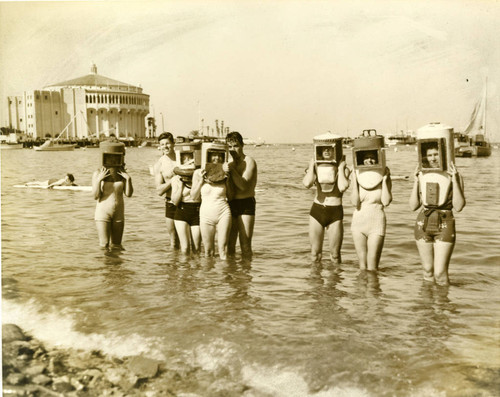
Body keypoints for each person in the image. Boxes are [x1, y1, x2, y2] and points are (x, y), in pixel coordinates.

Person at [409, 144, 466, 285]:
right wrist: (416, 181)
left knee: (440, 273)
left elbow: (459, 206)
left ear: (442, 155)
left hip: (445, 221)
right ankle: (428, 306)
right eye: (430, 155)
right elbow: (413, 206)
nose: (433, 158)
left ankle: (442, 306)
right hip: (423, 222)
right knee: (427, 270)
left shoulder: (455, 175)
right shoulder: (423, 175)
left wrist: (454, 180)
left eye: (436, 154)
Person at [303, 146, 350, 263]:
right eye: (324, 149)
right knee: (315, 254)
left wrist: (340, 168)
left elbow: (343, 186)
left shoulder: (344, 169)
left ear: (335, 151)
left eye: (330, 149)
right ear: (320, 151)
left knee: (335, 256)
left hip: (335, 212)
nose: (327, 151)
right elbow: (307, 183)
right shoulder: (316, 168)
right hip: (317, 210)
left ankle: (335, 280)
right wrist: (311, 165)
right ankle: (315, 280)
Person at [350, 153, 392, 271]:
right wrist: (354, 180)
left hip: (376, 223)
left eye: (372, 157)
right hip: (359, 222)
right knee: (362, 267)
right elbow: (354, 202)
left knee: (372, 267)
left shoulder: (385, 174)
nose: (369, 160)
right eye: (366, 157)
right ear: (361, 160)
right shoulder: (358, 175)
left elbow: (386, 201)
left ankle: (374, 289)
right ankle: (361, 289)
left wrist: (384, 180)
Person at [222, 132, 258, 258]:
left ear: (242, 145)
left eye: (236, 146)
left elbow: (243, 186)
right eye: (230, 147)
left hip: (246, 203)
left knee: (245, 245)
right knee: (229, 246)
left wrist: (231, 171)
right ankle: (232, 275)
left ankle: (246, 276)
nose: (233, 150)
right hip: (231, 204)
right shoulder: (228, 164)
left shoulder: (249, 162)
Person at [92, 145, 133, 249]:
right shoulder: (97, 173)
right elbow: (96, 196)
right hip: (103, 212)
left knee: (117, 246)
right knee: (104, 244)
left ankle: (116, 265)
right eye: (109, 157)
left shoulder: (122, 173)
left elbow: (128, 194)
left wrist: (128, 179)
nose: (112, 160)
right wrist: (99, 180)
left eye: (115, 157)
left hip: (118, 212)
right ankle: (104, 265)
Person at [191, 159, 233, 259]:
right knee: (208, 251)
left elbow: (231, 196)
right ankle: (209, 275)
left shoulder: (225, 172)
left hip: (223, 212)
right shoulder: (198, 173)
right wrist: (201, 181)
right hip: (206, 215)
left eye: (218, 156)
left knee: (223, 250)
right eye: (212, 155)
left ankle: (225, 274)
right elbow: (194, 197)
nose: (215, 158)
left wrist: (228, 180)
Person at [154, 132, 178, 248]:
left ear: (173, 144)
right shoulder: (159, 164)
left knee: (191, 240)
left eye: (167, 143)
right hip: (170, 203)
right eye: (162, 144)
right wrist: (173, 180)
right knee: (173, 241)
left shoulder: (183, 158)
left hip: (187, 202)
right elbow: (159, 191)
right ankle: (174, 263)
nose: (165, 146)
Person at [171, 171, 202, 255]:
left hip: (197, 212)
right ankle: (184, 267)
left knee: (197, 248)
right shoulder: (176, 179)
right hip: (182, 212)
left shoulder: (200, 176)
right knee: (185, 248)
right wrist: (180, 187)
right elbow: (175, 202)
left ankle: (197, 267)